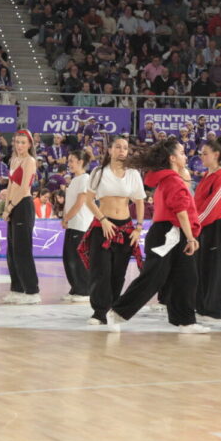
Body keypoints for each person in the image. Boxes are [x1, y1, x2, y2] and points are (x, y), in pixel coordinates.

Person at [104, 138, 208, 334]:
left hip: (169, 233)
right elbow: (181, 212)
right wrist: (191, 238)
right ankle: (117, 312)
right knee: (153, 278)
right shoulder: (173, 180)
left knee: (186, 277)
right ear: (172, 158)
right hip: (170, 233)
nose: (186, 156)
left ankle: (185, 321)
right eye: (182, 152)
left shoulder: (168, 178)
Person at [79, 138, 146, 325]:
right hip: (102, 227)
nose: (122, 150)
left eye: (125, 148)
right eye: (118, 147)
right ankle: (99, 312)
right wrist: (103, 220)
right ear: (110, 150)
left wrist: (139, 228)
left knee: (119, 273)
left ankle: (112, 308)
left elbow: (140, 201)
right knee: (100, 271)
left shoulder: (133, 174)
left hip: (125, 228)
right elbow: (89, 200)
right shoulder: (98, 172)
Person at [194, 137, 221, 323]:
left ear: (216, 155)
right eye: (201, 153)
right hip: (204, 225)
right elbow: (197, 204)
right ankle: (202, 306)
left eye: (205, 154)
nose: (202, 157)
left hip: (217, 226)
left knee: (217, 267)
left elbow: (213, 206)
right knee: (204, 265)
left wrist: (194, 224)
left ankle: (215, 310)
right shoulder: (207, 176)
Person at [2, 130, 40, 304]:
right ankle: (17, 289)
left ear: (30, 144)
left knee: (23, 251)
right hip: (13, 207)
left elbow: (25, 188)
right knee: (12, 251)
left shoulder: (30, 161)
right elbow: (11, 185)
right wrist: (6, 207)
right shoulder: (14, 160)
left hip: (23, 206)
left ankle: (32, 292)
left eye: (23, 142)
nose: (19, 145)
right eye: (17, 142)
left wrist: (10, 207)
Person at [61, 150, 93, 302]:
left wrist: (66, 218)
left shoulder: (85, 178)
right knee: (68, 257)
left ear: (81, 162)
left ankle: (84, 291)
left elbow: (80, 202)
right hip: (72, 223)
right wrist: (65, 218)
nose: (69, 163)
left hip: (81, 224)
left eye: (72, 160)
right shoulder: (74, 180)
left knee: (77, 258)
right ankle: (75, 288)